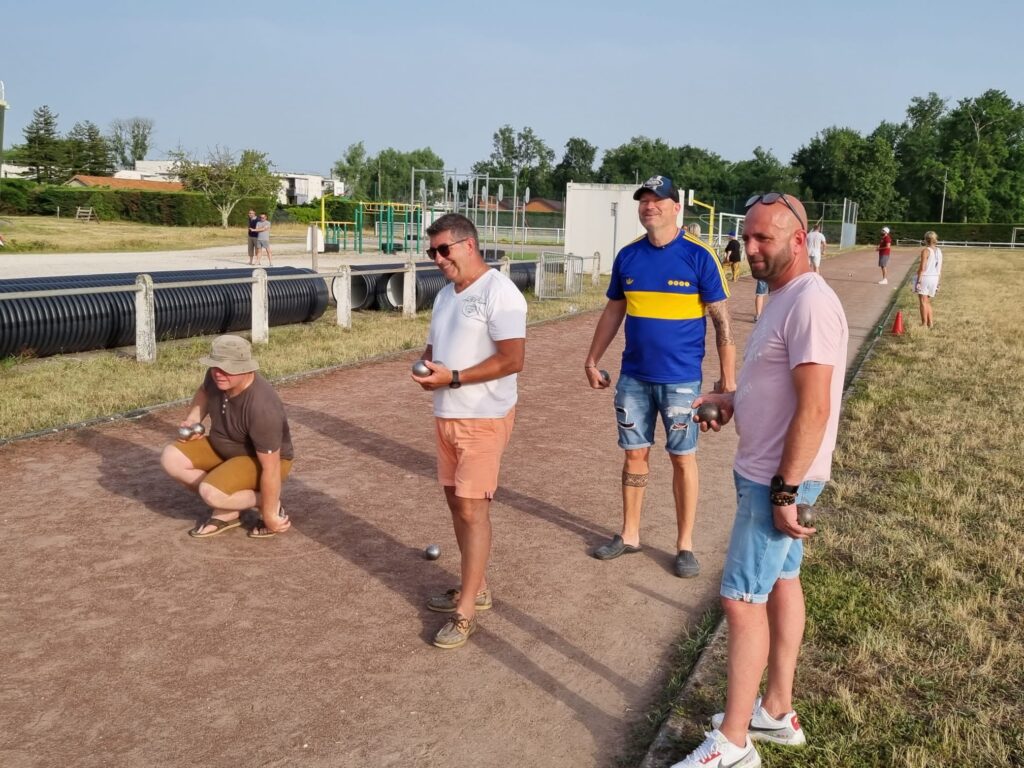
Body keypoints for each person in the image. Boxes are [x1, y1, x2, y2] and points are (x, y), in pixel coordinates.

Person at [670, 193, 848, 768]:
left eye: (762, 240)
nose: (749, 249)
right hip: (775, 474)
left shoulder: (811, 303)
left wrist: (785, 490)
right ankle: (775, 710)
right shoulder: (781, 295)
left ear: (799, 240)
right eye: (746, 239)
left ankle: (735, 744)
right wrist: (732, 400)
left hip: (777, 479)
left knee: (741, 599)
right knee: (780, 585)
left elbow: (814, 407)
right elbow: (777, 390)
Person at [584, 175, 736, 578]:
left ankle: (684, 544)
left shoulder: (699, 256)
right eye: (644, 200)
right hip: (633, 377)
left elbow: (722, 324)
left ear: (675, 208)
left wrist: (728, 384)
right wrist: (592, 357)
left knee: (682, 457)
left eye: (657, 200)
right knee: (635, 454)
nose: (649, 206)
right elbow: (614, 310)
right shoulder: (628, 257)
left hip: (682, 381)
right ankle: (629, 534)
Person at [411, 213, 527, 650]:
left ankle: (465, 615)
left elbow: (513, 359)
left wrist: (454, 376)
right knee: (458, 508)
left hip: (484, 416)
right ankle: (473, 588)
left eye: (444, 249)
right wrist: (428, 370)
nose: (437, 258)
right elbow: (434, 348)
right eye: (432, 252)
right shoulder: (445, 296)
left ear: (469, 245)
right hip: (447, 415)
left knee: (472, 511)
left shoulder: (500, 292)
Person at [160, 335, 294, 539]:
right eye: (215, 366)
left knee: (211, 492)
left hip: (260, 460)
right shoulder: (214, 376)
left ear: (246, 369)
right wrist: (193, 418)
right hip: (223, 447)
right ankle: (229, 510)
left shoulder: (262, 407)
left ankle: (268, 503)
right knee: (171, 458)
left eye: (227, 368)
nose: (218, 373)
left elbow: (272, 467)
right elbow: (204, 391)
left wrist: (269, 516)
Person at [914, 230, 942, 328]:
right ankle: (931, 323)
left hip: (925, 278)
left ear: (926, 240)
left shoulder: (926, 251)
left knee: (922, 302)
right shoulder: (939, 251)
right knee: (927, 302)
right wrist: (938, 282)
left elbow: (922, 268)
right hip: (935, 278)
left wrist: (918, 281)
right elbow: (939, 269)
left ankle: (924, 324)